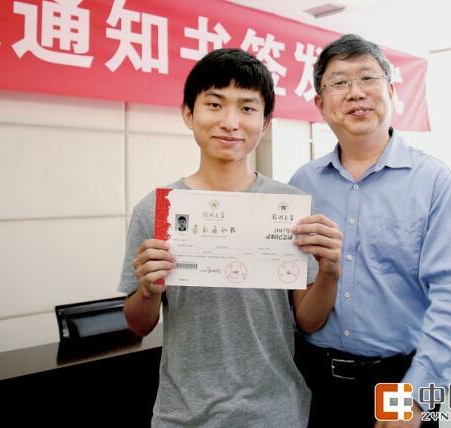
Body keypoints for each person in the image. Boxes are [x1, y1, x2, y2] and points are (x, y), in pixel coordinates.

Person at [118, 48, 342, 427]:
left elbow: (308, 321)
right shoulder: (157, 210)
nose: (230, 122)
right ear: (188, 114)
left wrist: (330, 273)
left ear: (265, 123)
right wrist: (149, 291)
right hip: (183, 415)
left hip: (276, 412)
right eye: (215, 104)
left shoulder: (289, 207)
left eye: (247, 108)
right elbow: (138, 325)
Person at [289, 34, 451, 427]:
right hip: (314, 381)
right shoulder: (302, 184)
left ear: (391, 92)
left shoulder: (435, 182)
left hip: (400, 378)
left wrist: (414, 400)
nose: (355, 93)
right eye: (339, 82)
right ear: (320, 104)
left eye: (368, 78)